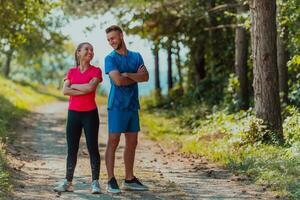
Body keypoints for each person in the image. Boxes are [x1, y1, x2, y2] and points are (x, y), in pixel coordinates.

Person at [104, 25, 149, 194]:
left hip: (132, 106)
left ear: (121, 36)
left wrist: (128, 74)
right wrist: (134, 76)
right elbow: (118, 82)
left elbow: (146, 77)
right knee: (113, 142)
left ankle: (129, 179)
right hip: (116, 106)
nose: (111, 42)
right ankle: (110, 180)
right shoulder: (110, 59)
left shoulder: (136, 56)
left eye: (113, 38)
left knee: (132, 143)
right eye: (108, 40)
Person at [54, 42, 102, 194]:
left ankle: (95, 182)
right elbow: (64, 90)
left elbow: (91, 88)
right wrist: (84, 87)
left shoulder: (96, 70)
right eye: (87, 49)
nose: (90, 52)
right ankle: (68, 181)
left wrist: (75, 86)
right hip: (73, 114)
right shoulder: (71, 71)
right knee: (72, 149)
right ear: (78, 53)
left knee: (92, 148)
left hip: (90, 114)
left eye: (92, 50)